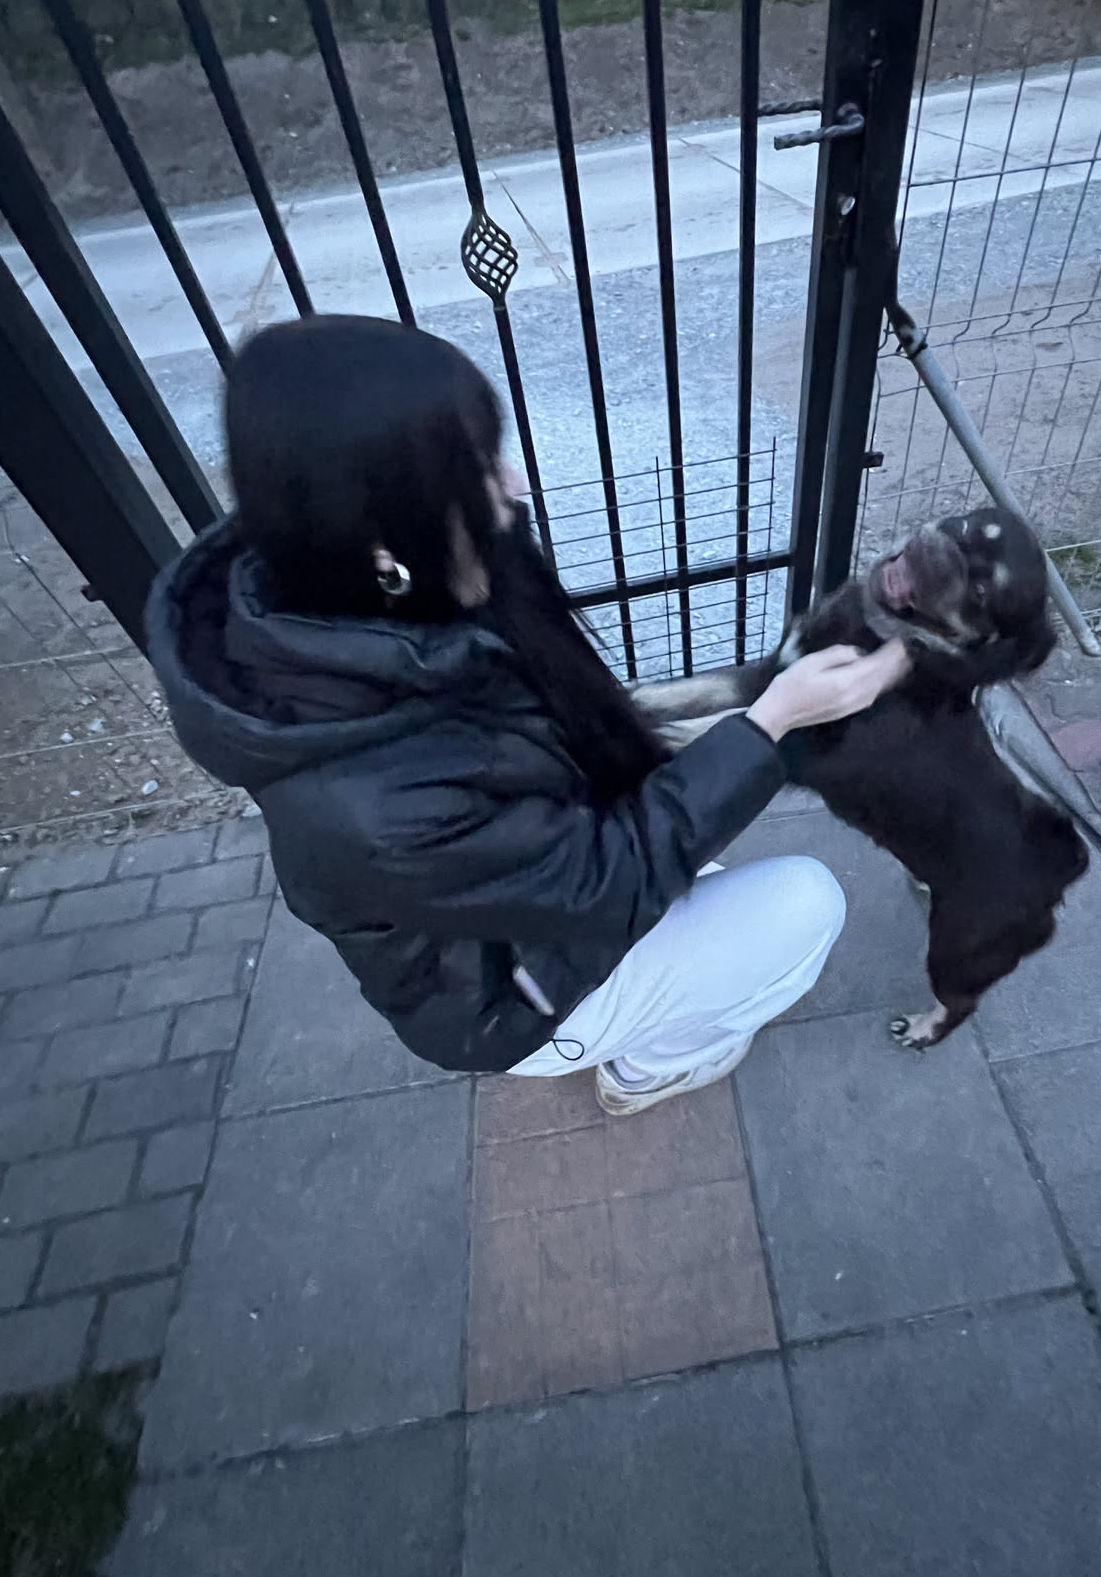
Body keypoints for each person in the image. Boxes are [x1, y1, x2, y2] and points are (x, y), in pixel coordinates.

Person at [147, 315, 908, 1114]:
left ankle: (667, 973)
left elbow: (569, 761)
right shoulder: (369, 806)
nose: (516, 485)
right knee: (807, 904)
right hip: (510, 1000)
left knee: (694, 854)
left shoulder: (358, 586)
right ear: (383, 537)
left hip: (525, 899)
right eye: (478, 468)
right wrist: (774, 724)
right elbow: (606, 880)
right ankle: (649, 1065)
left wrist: (744, 719)